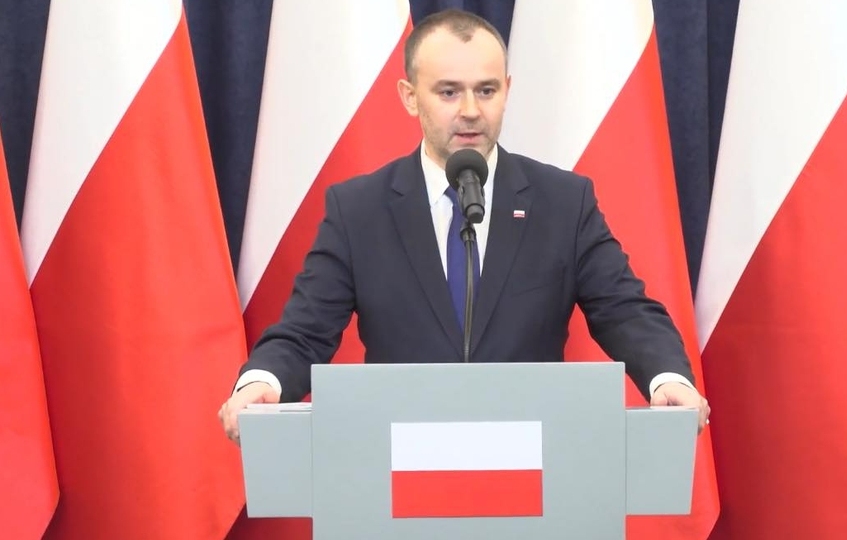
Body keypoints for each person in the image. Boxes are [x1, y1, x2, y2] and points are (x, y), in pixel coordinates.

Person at [219, 8, 709, 442]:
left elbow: (624, 310)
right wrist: (263, 381)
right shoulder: (359, 209)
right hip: (400, 459)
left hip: (532, 459)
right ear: (410, 97)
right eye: (449, 92)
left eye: (486, 90)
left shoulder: (562, 202)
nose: (471, 110)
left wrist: (667, 378)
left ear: (507, 91)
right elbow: (306, 330)